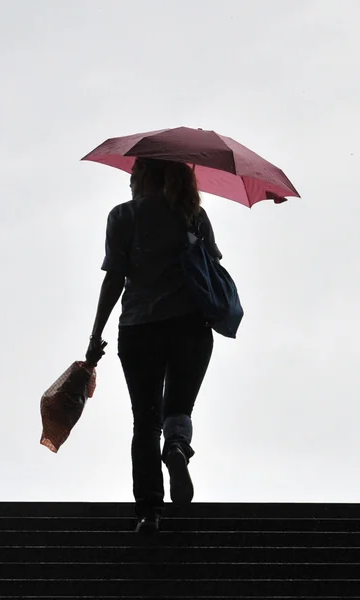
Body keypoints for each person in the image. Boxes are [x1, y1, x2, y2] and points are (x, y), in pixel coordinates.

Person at [85, 157, 223, 532]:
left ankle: (149, 512)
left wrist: (96, 334)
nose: (129, 181)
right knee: (178, 407)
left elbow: (114, 279)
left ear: (146, 175)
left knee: (145, 422)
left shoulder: (122, 216)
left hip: (139, 329)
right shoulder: (193, 214)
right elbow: (213, 263)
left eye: (133, 174)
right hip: (190, 326)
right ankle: (176, 446)